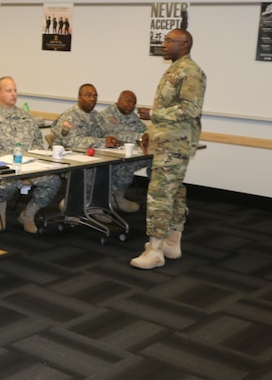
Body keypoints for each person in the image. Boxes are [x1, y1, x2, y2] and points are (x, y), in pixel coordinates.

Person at [131, 29, 206, 270]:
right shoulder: (175, 69)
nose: (164, 44)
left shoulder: (190, 72)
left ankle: (154, 250)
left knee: (160, 195)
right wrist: (150, 132)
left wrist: (153, 115)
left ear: (184, 45)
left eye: (169, 41)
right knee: (173, 193)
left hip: (175, 145)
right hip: (166, 142)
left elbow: (189, 110)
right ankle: (172, 243)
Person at [0, 76, 61, 233]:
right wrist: (11, 163)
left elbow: (37, 141)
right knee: (7, 182)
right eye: (8, 91)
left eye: (15, 90)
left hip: (29, 166)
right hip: (3, 168)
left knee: (53, 181)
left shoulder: (26, 116)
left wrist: (31, 163)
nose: (13, 94)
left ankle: (28, 214)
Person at [51, 84, 140, 214]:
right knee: (95, 169)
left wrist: (112, 139)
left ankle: (112, 199)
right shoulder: (69, 117)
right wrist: (102, 142)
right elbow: (71, 141)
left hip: (91, 155)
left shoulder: (96, 116)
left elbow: (108, 132)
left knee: (123, 165)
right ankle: (72, 204)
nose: (92, 99)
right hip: (70, 158)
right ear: (79, 97)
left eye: (95, 96)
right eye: (88, 95)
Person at [100, 90, 150, 213]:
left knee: (156, 159)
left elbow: (143, 131)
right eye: (128, 101)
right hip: (108, 155)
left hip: (128, 154)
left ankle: (159, 196)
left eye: (134, 103)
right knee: (127, 163)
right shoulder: (108, 115)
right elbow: (115, 135)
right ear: (119, 100)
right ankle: (114, 197)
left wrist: (146, 136)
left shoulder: (132, 116)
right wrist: (139, 137)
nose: (131, 105)